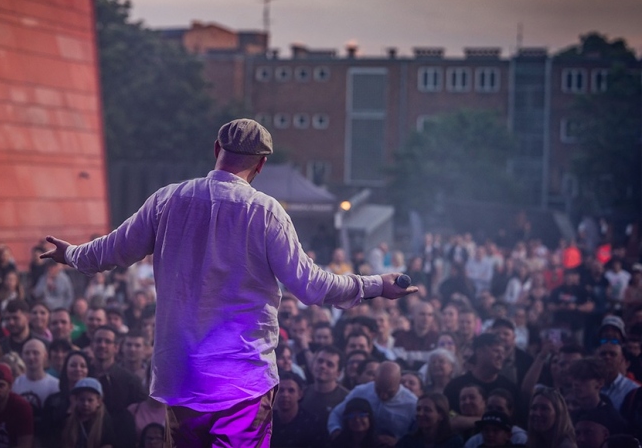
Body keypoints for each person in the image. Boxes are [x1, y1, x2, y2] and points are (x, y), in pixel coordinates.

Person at [42, 118, 419, 444]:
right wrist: (376, 285)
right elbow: (311, 286)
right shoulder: (266, 213)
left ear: (217, 148)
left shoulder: (167, 200)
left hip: (182, 377)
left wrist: (70, 253)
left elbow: (108, 252)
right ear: (262, 164)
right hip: (242, 381)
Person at [328, 361, 418, 443]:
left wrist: (399, 442)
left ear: (399, 382)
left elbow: (419, 435)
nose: (383, 395)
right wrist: (336, 432)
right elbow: (336, 414)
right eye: (378, 390)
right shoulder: (361, 392)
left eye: (389, 392)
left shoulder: (412, 403)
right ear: (375, 379)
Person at [271, 371, 326, 448]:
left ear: (300, 394)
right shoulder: (266, 422)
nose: (285, 395)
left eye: (291, 390)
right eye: (281, 390)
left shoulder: (312, 424)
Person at [300, 345, 348, 427]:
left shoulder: (346, 399)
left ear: (338, 373)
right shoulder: (302, 394)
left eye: (329, 364)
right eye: (320, 361)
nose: (323, 366)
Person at [62, 377, 117, 448]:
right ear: (76, 400)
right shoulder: (69, 421)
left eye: (90, 400)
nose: (85, 404)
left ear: (99, 402)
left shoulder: (104, 422)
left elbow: (108, 444)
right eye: (82, 399)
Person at [396, 393, 463, 448]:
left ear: (441, 415)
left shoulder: (453, 442)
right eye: (418, 409)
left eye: (427, 410)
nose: (420, 413)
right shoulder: (407, 441)